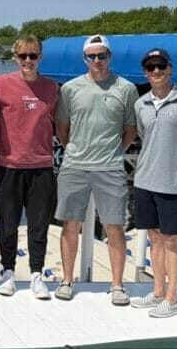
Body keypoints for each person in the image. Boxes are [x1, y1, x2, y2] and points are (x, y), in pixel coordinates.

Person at [54, 34, 138, 304]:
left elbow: (130, 129)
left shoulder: (126, 88)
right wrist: (73, 148)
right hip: (75, 166)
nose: (97, 60)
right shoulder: (69, 89)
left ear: (109, 57)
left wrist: (114, 152)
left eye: (102, 55)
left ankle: (117, 285)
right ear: (84, 59)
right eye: (92, 56)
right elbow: (62, 128)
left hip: (110, 167)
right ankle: (67, 280)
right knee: (70, 225)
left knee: (115, 226)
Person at [130, 47, 177, 318]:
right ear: (145, 73)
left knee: (171, 239)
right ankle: (158, 291)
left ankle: (172, 298)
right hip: (144, 181)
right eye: (150, 67)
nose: (156, 71)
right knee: (153, 238)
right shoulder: (141, 104)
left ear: (170, 69)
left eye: (161, 66)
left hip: (173, 184)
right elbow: (145, 137)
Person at [0, 36, 59, 299]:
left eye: (33, 55)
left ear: (41, 57)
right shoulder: (0, 85)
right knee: (8, 224)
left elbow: (63, 124)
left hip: (41, 166)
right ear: (15, 58)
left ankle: (37, 274)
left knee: (39, 225)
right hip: (8, 166)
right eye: (23, 56)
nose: (28, 60)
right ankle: (8, 272)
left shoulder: (52, 88)